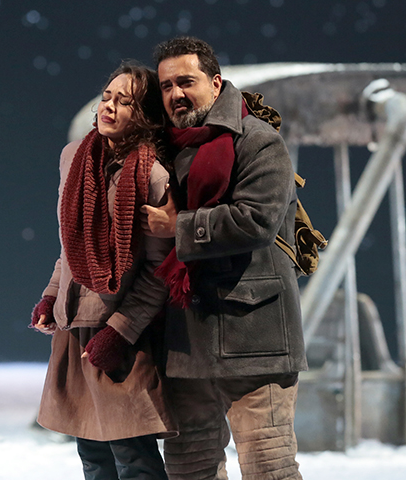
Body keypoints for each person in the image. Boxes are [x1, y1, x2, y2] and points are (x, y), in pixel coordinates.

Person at [141, 37, 307, 480]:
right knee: (190, 470)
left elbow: (255, 221)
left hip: (256, 341)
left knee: (268, 468)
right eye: (166, 85)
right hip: (186, 344)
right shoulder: (165, 148)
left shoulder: (258, 140)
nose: (176, 94)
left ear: (215, 83)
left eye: (186, 82)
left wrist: (175, 228)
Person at [30, 62, 177, 480]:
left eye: (124, 101)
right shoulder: (73, 158)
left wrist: (119, 332)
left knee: (133, 458)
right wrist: (52, 296)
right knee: (93, 459)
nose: (109, 107)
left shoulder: (153, 175)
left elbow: (159, 269)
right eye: (107, 97)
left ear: (145, 115)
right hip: (74, 327)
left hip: (121, 336)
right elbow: (69, 246)